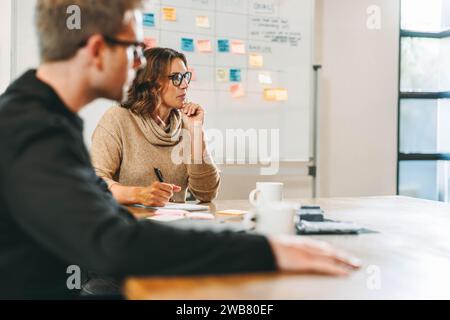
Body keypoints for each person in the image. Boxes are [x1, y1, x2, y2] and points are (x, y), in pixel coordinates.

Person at [0, 0, 360, 300]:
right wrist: (266, 251)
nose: (139, 63)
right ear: (96, 50)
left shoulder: (46, 116)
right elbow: (113, 243)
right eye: (134, 49)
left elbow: (109, 216)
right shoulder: (33, 130)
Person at [91, 48, 219, 207]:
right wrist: (138, 194)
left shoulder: (187, 123)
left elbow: (206, 193)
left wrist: (197, 133)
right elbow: (94, 183)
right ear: (152, 83)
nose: (185, 84)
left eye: (186, 76)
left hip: (173, 223)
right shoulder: (118, 118)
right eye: (177, 78)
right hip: (127, 223)